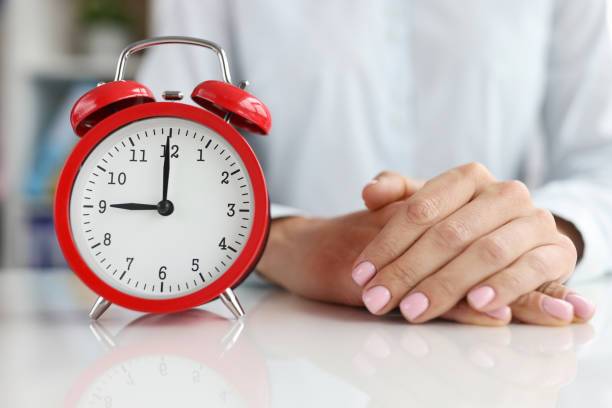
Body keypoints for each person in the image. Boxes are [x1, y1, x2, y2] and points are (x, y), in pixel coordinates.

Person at [138, 0, 612, 325]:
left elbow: (602, 160)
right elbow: (161, 158)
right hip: (271, 328)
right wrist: (278, 238)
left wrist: (532, 239)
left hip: (499, 323)